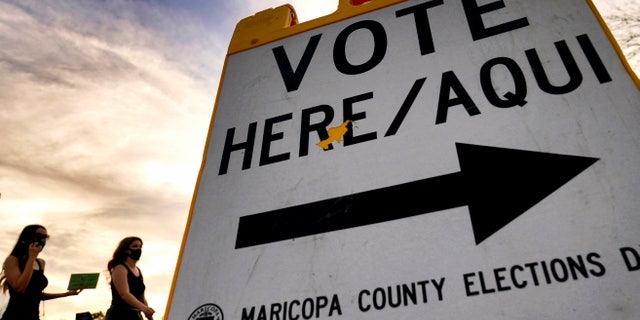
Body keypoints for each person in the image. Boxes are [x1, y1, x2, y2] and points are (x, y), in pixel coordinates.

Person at [0, 224, 82, 320]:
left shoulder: (40, 263)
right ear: (27, 237)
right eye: (39, 236)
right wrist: (31, 258)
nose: (42, 240)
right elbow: (20, 288)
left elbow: (36, 295)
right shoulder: (12, 260)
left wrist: (66, 294)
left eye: (45, 237)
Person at [105, 236, 154, 320]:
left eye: (140, 246)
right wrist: (143, 308)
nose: (138, 249)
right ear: (126, 250)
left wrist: (149, 314)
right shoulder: (120, 268)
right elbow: (124, 294)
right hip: (119, 315)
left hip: (135, 315)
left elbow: (142, 297)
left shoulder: (138, 270)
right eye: (135, 246)